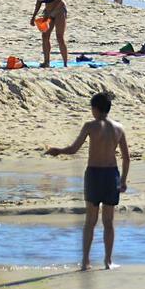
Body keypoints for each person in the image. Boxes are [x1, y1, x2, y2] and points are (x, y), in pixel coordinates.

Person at [44, 92, 129, 271]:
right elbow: (126, 158)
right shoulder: (119, 128)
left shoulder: (90, 126)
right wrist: (123, 180)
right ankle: (108, 261)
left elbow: (74, 149)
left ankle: (85, 262)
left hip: (94, 175)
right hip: (111, 175)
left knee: (90, 221)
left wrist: (57, 150)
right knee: (109, 222)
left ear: (96, 109)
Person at [23, 0, 69, 68]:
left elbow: (61, 1)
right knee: (45, 36)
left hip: (59, 10)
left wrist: (52, 15)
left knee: (60, 37)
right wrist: (33, 16)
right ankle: (46, 62)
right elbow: (39, 1)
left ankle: (65, 64)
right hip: (48, 11)